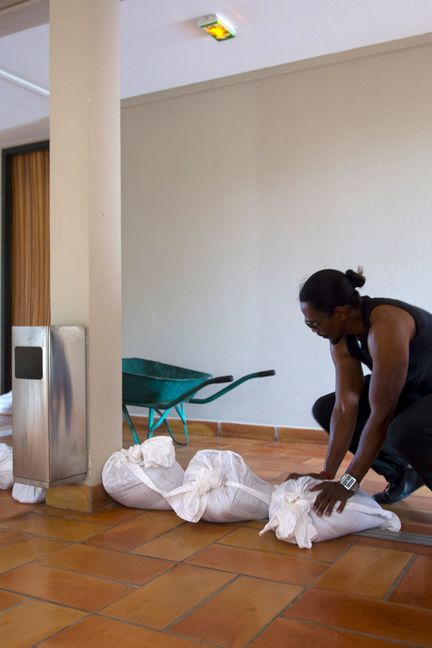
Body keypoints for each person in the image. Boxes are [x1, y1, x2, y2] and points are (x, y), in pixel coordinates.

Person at [290, 267, 432, 517]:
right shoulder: (342, 338)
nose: (312, 330)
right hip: (418, 389)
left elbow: (382, 415)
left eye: (314, 323)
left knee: (405, 430)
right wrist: (327, 474)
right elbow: (346, 407)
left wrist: (348, 483)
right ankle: (402, 474)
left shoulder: (386, 325)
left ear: (340, 313)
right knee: (325, 408)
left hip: (423, 393)